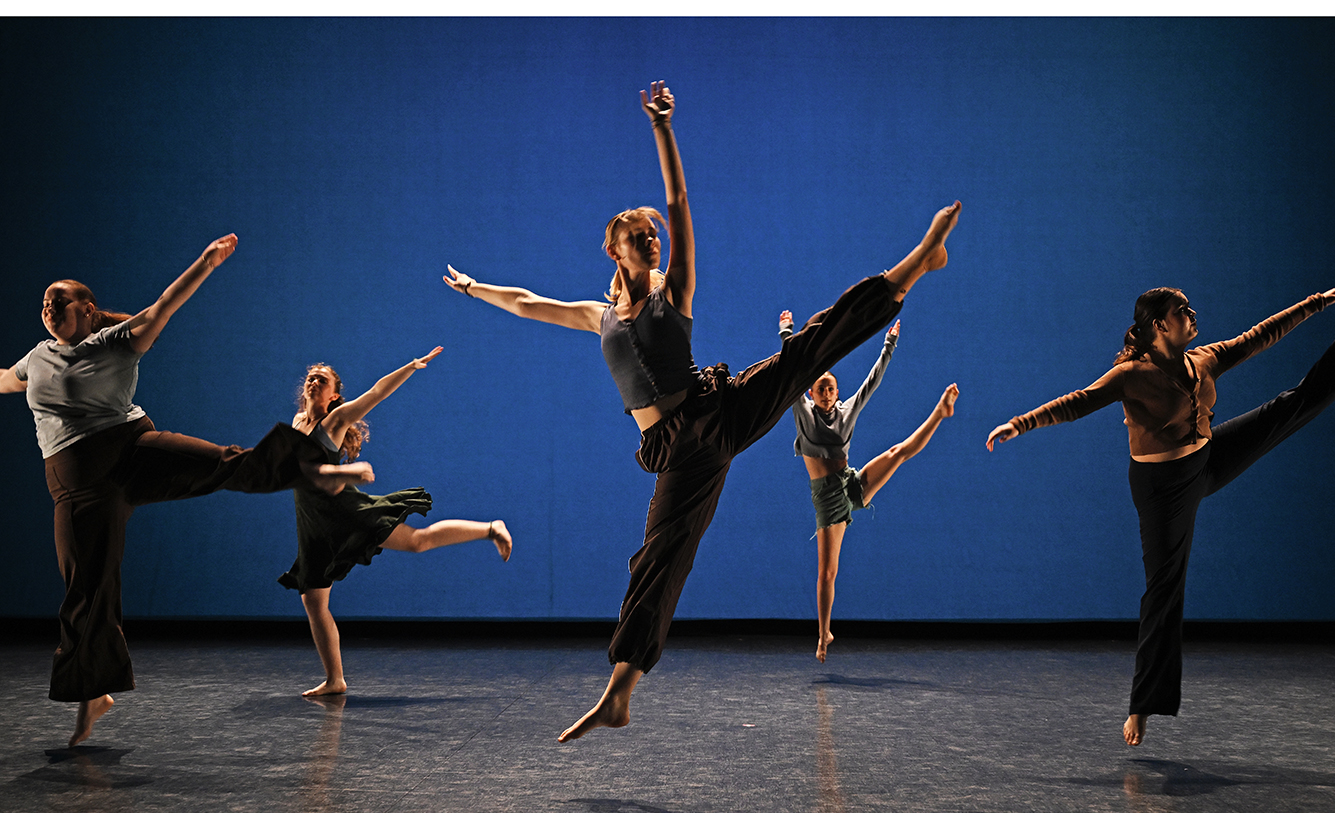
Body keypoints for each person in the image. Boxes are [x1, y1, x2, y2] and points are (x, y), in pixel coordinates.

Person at [444, 80, 962, 741]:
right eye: (639, 236)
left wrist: (663, 128)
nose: (652, 241)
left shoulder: (673, 293)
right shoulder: (598, 316)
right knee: (659, 557)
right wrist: (473, 288)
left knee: (806, 350)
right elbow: (524, 301)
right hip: (680, 450)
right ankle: (621, 690)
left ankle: (915, 264)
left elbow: (679, 201)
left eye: (653, 237)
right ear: (614, 250)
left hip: (718, 412)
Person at [986, 286, 1335, 746]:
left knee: (1292, 405)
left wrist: (1317, 302)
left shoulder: (1203, 360)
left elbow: (1261, 336)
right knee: (1164, 589)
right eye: (1180, 310)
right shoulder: (1130, 375)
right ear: (1159, 326)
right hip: (1162, 490)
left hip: (1207, 459)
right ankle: (1143, 705)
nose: (1191, 313)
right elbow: (1076, 402)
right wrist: (1020, 423)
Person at [0, 234, 371, 746]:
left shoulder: (114, 341)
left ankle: (314, 469)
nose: (47, 309)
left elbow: (164, 307)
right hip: (78, 483)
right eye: (43, 303)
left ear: (86, 310)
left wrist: (205, 263)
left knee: (222, 463)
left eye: (58, 302)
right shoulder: (37, 357)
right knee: (87, 589)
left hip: (131, 450)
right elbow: (4, 379)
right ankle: (94, 695)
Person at [283, 350, 513, 696]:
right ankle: (335, 679)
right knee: (314, 602)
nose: (313, 381)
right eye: (311, 378)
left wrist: (411, 367)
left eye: (322, 379)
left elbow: (376, 392)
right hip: (313, 521)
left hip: (346, 513)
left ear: (334, 395)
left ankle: (491, 527)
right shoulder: (297, 422)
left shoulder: (336, 420)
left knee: (418, 541)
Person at [777, 313, 959, 661]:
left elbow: (872, 382)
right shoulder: (803, 412)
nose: (827, 394)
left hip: (850, 484)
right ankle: (822, 633)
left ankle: (939, 413)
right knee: (828, 572)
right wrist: (787, 332)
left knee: (897, 453)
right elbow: (789, 371)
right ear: (811, 394)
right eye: (820, 390)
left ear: (837, 391)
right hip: (828, 500)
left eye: (831, 388)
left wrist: (889, 344)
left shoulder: (847, 409)